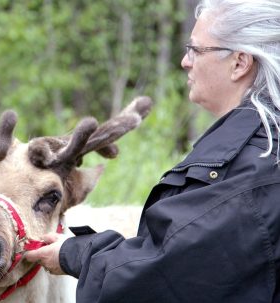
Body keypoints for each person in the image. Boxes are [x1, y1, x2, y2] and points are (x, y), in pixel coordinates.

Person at [26, 0, 280, 302]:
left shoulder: (251, 167)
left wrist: (73, 253)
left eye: (196, 50)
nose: (186, 61)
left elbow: (163, 272)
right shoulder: (259, 152)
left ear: (239, 62)